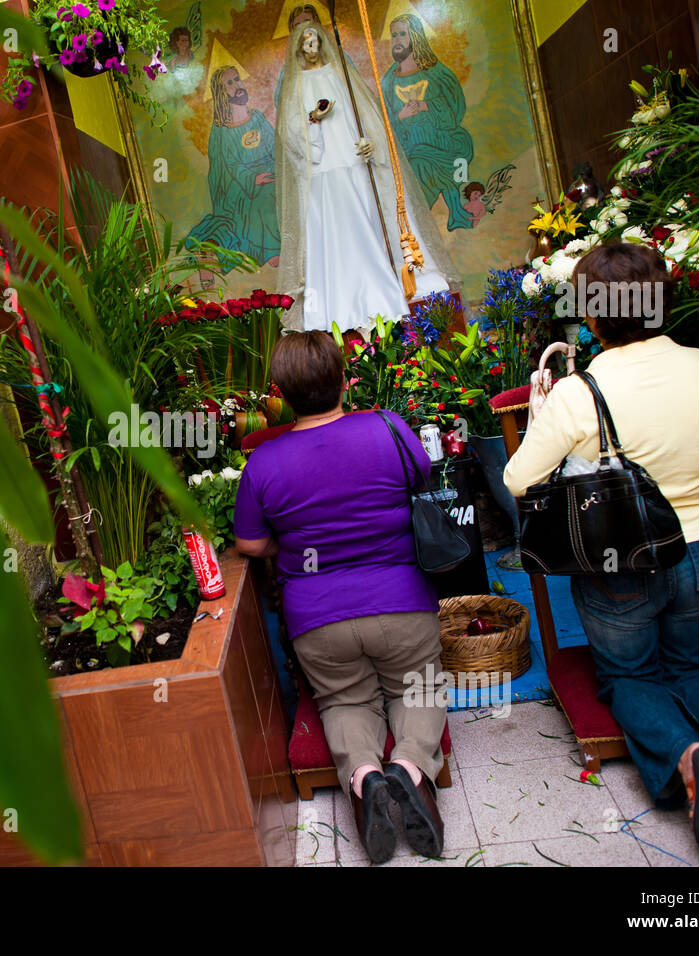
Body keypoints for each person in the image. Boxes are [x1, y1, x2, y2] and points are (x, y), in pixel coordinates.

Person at [503, 243, 699, 859]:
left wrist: (550, 420)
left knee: (628, 674)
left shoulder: (579, 392)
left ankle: (691, 758)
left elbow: (517, 479)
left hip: (622, 565)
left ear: (590, 315)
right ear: (661, 301)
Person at [234, 331, 446, 864]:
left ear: (280, 393)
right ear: (343, 380)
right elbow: (423, 477)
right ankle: (412, 769)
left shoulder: (263, 462)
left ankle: (365, 776)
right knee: (417, 687)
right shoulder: (388, 428)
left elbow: (251, 544)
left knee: (344, 699)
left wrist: (298, 540)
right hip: (401, 601)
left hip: (318, 619)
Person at [275, 22, 455, 335]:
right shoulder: (297, 85)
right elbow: (292, 131)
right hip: (322, 173)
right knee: (331, 238)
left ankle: (379, 295)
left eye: (315, 39)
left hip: (352, 162)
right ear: (299, 48)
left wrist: (368, 141)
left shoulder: (338, 74)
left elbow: (362, 114)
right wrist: (312, 119)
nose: (311, 45)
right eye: (305, 41)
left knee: (366, 226)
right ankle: (336, 307)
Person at [182, 66, 280, 281]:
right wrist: (252, 179)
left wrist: (277, 170)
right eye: (229, 83)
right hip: (240, 186)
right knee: (264, 195)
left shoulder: (258, 118)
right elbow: (227, 166)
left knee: (279, 190)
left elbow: (276, 147)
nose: (237, 86)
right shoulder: (221, 130)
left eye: (237, 80)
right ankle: (270, 251)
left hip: (270, 173)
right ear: (221, 92)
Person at [379, 14, 475, 231]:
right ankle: (420, 228)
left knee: (424, 165)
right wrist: (400, 116)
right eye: (394, 35)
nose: (397, 40)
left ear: (416, 36)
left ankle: (425, 225)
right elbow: (380, 120)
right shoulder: (388, 81)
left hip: (443, 143)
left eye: (403, 34)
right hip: (410, 150)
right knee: (417, 166)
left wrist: (426, 106)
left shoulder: (435, 72)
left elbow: (455, 107)